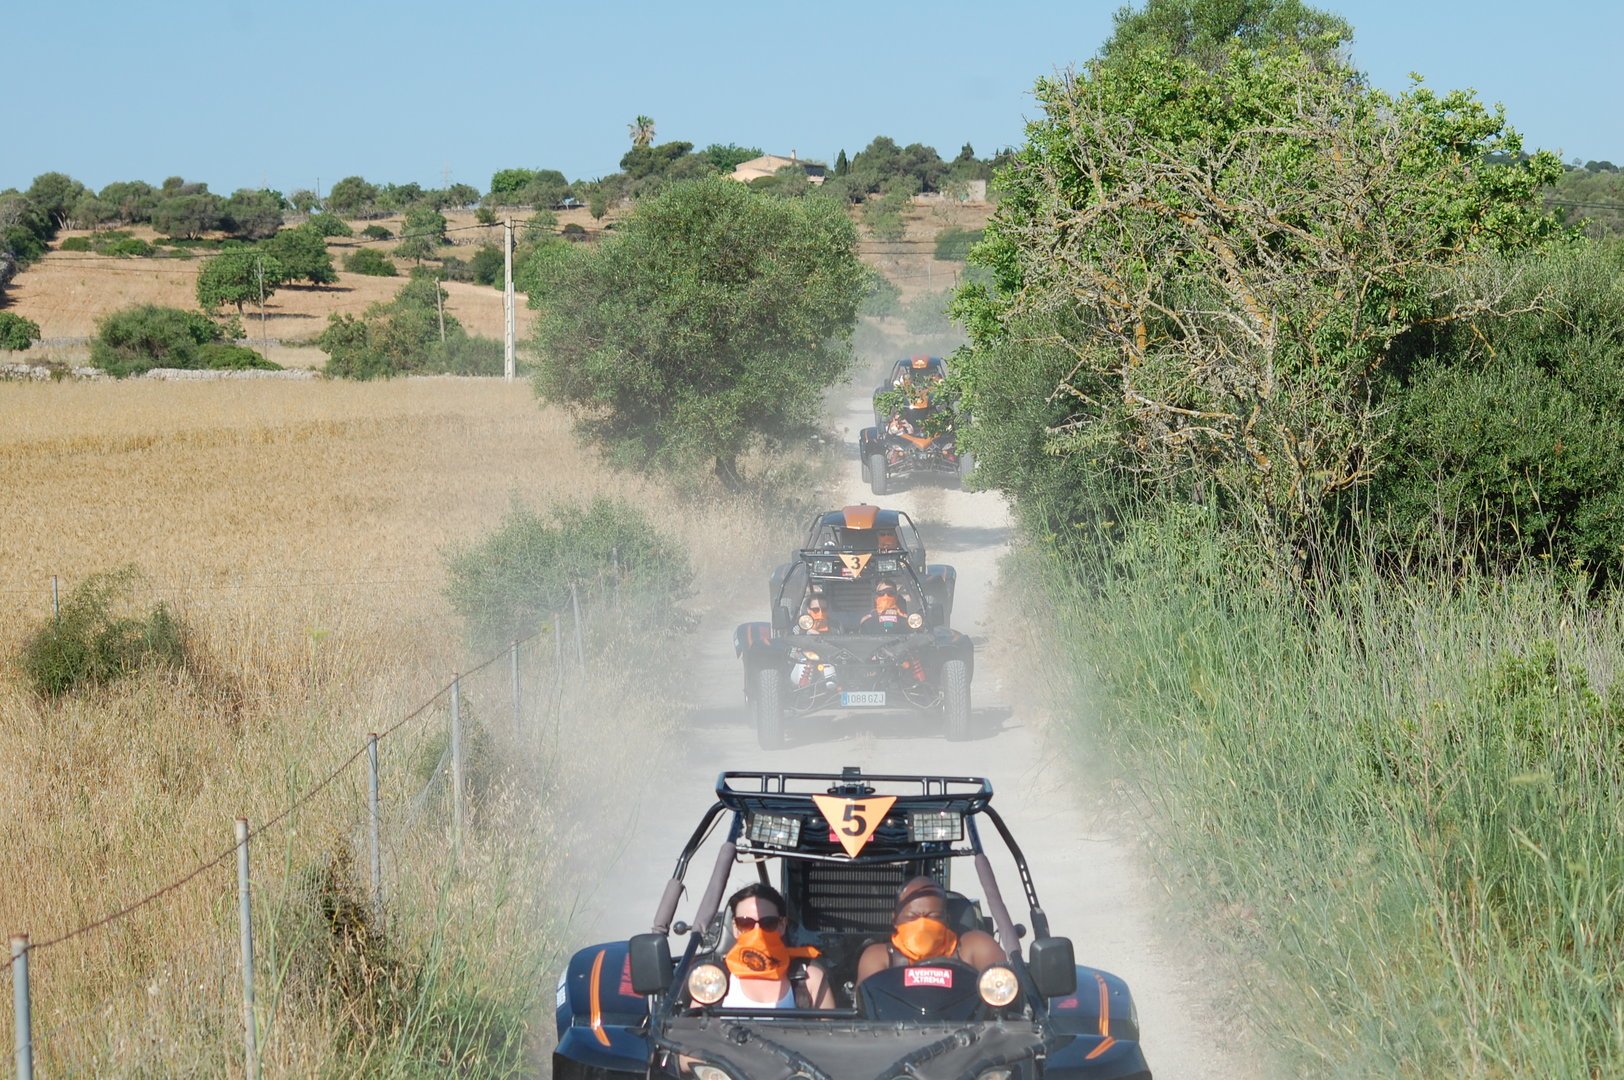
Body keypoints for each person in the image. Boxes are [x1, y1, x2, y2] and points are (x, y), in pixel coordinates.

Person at [855, 877, 1004, 986]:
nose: (922, 925)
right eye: (912, 917)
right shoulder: (879, 956)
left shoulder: (973, 947)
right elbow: (868, 1003)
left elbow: (1005, 985)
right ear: (894, 920)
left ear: (947, 918)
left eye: (932, 917)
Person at [719, 883, 834, 1009]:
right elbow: (696, 1025)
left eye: (768, 923)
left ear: (781, 925)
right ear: (735, 928)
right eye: (746, 923)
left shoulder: (810, 979)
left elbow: (831, 1028)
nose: (757, 931)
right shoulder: (714, 978)